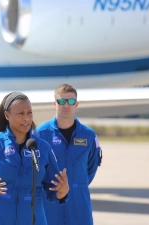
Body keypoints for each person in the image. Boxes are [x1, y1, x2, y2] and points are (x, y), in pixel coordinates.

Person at [0, 91, 69, 225]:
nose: (26, 118)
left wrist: (63, 191)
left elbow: (53, 190)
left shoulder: (43, 148)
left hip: (32, 218)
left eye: (29, 113)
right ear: (7, 115)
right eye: (21, 113)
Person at [36, 83, 102, 225]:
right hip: (48, 200)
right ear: (54, 104)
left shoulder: (88, 135)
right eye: (61, 101)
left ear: (76, 104)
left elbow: (91, 167)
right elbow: (34, 168)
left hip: (78, 200)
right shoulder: (41, 134)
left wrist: (76, 183)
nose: (66, 105)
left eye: (71, 101)